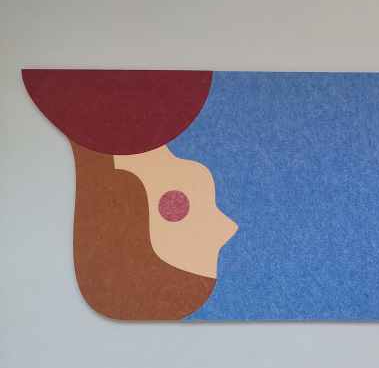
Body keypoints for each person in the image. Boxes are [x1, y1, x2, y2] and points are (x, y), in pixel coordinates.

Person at [23, 69, 237, 320]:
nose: (228, 227)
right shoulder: (183, 98)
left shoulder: (69, 99)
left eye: (175, 211)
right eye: (178, 206)